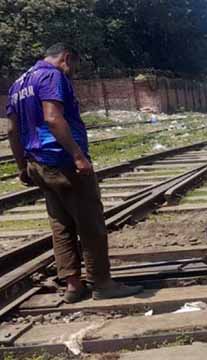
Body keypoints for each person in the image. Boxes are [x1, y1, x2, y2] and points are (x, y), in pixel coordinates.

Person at [5, 43, 142, 303]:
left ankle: (73, 285)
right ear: (66, 58)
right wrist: (78, 156)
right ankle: (101, 283)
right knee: (90, 223)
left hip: (37, 163)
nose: (73, 72)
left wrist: (22, 166)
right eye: (73, 66)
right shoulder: (51, 75)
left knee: (61, 226)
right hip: (62, 159)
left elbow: (12, 130)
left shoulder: (19, 83)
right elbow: (53, 117)